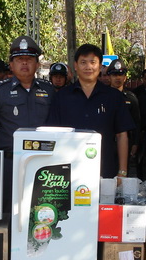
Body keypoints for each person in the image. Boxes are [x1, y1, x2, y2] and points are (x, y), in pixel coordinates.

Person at [0, 36, 54, 210]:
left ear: (37, 64)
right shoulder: (0, 90)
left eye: (29, 59)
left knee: (41, 211)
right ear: (11, 65)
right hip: (9, 163)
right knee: (9, 211)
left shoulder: (49, 90)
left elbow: (58, 128)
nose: (24, 63)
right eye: (19, 59)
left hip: (43, 162)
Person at [46, 44, 135, 178]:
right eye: (83, 62)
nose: (88, 67)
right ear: (75, 66)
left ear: (100, 66)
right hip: (68, 170)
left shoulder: (113, 97)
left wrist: (122, 171)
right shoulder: (62, 96)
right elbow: (53, 134)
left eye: (93, 62)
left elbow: (122, 135)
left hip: (105, 169)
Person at [107, 59, 141, 177]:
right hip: (107, 141)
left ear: (125, 77)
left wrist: (135, 143)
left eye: (120, 75)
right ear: (109, 77)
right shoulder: (102, 96)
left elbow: (137, 121)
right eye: (114, 75)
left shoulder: (131, 98)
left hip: (126, 142)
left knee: (123, 175)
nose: (118, 78)